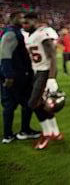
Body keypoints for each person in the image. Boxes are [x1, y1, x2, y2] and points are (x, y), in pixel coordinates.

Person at [23, 12, 62, 149]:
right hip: (37, 71)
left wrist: (51, 78)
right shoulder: (29, 35)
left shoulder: (42, 33)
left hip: (44, 72)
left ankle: (46, 133)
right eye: (23, 22)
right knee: (42, 104)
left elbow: (52, 55)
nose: (25, 25)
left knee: (33, 103)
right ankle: (55, 132)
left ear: (35, 21)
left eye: (27, 22)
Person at [0, 11, 40, 144]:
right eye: (20, 18)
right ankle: (23, 130)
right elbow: (5, 55)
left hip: (15, 74)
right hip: (16, 76)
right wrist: (8, 75)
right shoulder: (11, 33)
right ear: (12, 19)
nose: (23, 20)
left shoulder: (13, 32)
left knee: (11, 105)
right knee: (24, 102)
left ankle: (8, 134)